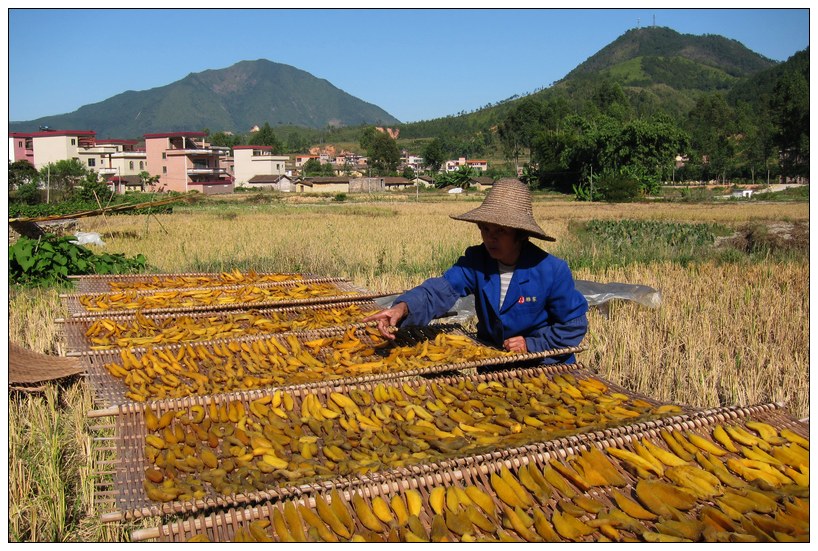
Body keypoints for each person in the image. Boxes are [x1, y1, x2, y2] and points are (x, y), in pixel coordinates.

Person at [363, 178, 588, 364]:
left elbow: (573, 326)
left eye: (501, 230)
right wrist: (402, 308)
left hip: (543, 366)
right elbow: (439, 291)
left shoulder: (550, 271)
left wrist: (532, 344)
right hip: (494, 365)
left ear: (520, 234)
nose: (491, 237)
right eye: (485, 228)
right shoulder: (477, 261)